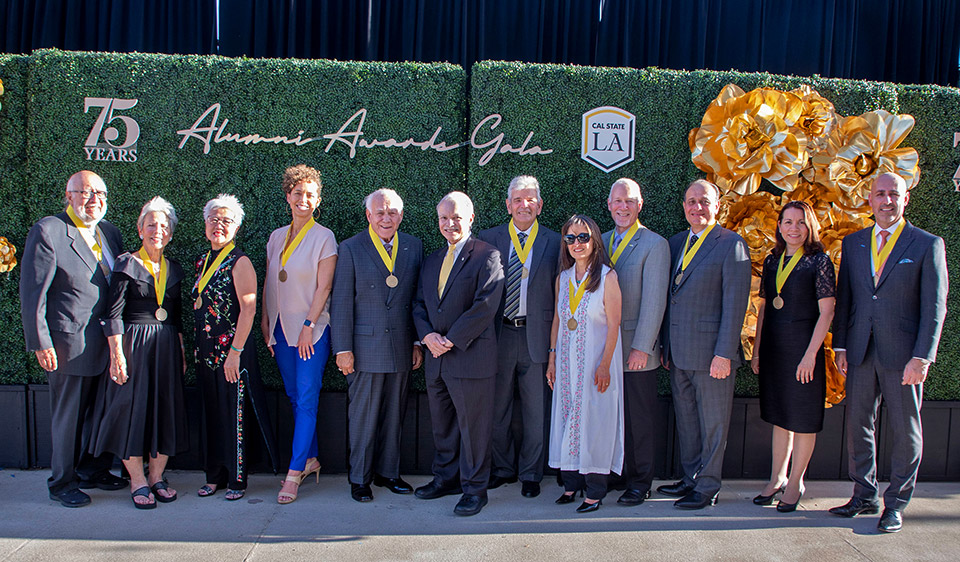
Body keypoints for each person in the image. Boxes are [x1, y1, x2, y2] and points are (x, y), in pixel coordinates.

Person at [830, 172, 948, 533]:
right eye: (879, 194)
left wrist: (922, 357)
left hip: (904, 358)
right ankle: (864, 494)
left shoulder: (926, 244)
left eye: (893, 194)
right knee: (858, 425)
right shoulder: (854, 244)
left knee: (904, 428)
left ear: (905, 198)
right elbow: (847, 298)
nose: (886, 201)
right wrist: (841, 345)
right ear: (870, 200)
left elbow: (935, 306)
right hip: (861, 352)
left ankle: (895, 503)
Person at [19, 170, 128, 508]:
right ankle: (62, 482)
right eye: (84, 193)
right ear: (69, 195)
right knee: (69, 417)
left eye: (100, 194)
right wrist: (41, 341)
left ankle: (91, 470)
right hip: (69, 345)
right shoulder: (49, 231)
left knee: (100, 412)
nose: (93, 200)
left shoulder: (110, 232)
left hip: (107, 344)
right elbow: (32, 292)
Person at [90, 196, 188, 509]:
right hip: (133, 345)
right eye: (151, 225)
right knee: (131, 410)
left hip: (167, 346)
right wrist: (116, 354)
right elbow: (113, 312)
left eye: (163, 226)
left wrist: (182, 352)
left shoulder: (175, 270)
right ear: (140, 228)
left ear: (170, 233)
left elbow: (177, 315)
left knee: (165, 410)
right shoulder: (125, 263)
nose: (157, 230)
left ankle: (157, 477)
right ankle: (137, 479)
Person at [658, 179, 751, 509]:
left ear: (717, 206)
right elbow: (672, 299)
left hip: (713, 356)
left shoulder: (731, 244)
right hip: (678, 354)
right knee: (687, 421)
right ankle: (690, 478)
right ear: (684, 206)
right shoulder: (677, 242)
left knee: (713, 424)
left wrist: (723, 353)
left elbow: (735, 304)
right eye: (691, 201)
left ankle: (708, 486)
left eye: (704, 201)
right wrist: (665, 346)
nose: (697, 207)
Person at [412, 191, 504, 516]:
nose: (450, 224)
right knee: (443, 426)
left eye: (456, 218)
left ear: (471, 218)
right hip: (436, 360)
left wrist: (449, 339)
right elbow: (420, 304)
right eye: (444, 218)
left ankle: (475, 490)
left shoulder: (487, 255)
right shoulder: (433, 259)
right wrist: (427, 336)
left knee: (474, 429)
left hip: (469, 357)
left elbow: (485, 306)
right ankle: (445, 479)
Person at [331, 188, 423, 503]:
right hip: (363, 349)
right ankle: (360, 479)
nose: (386, 218)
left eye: (392, 212)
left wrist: (415, 341)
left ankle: (388, 474)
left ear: (401, 215)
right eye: (380, 212)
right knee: (363, 417)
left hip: (400, 346)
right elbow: (341, 302)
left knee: (394, 415)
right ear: (369, 215)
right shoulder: (351, 248)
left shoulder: (413, 246)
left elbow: (415, 300)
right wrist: (342, 348)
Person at [750, 201, 836, 512]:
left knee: (802, 419)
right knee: (779, 417)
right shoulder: (773, 260)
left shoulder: (819, 261)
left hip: (803, 349)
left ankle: (796, 481)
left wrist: (810, 355)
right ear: (780, 226)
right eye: (787, 222)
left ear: (809, 226)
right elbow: (763, 309)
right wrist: (757, 350)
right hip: (774, 349)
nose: (793, 228)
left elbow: (827, 312)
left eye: (800, 222)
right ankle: (777, 478)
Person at [478, 175, 560, 499]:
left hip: (536, 335)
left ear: (539, 205)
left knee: (535, 410)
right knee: (497, 408)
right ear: (508, 204)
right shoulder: (489, 238)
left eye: (530, 200)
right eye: (517, 199)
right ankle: (502, 469)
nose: (523, 205)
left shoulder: (555, 242)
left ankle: (530, 473)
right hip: (500, 334)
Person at [194, 194, 279, 501]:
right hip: (207, 355)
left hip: (233, 354)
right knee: (213, 415)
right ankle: (213, 475)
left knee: (235, 415)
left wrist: (235, 352)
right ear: (205, 223)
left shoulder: (240, 261)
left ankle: (237, 479)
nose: (219, 225)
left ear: (237, 227)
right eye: (214, 219)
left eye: (226, 221)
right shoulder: (203, 261)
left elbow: (249, 310)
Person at [262, 164, 338, 504]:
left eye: (310, 194)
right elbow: (269, 281)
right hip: (280, 327)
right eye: (297, 194)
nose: (303, 200)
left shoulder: (324, 237)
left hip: (312, 329)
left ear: (317, 199)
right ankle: (310, 459)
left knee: (307, 398)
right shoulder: (276, 236)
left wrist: (309, 326)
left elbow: (325, 287)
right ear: (287, 196)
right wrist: (265, 320)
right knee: (294, 396)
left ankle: (293, 476)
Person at [546, 215, 624, 513]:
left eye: (583, 237)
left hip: (595, 364)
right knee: (567, 417)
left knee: (594, 423)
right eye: (570, 238)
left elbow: (615, 325)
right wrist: (552, 357)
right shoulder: (563, 278)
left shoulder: (607, 277)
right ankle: (571, 484)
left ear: (594, 241)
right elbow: (558, 319)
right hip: (566, 365)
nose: (577, 243)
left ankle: (594, 490)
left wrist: (604, 365)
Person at [601, 178, 669, 507]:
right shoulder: (599, 241)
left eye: (629, 201)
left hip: (635, 350)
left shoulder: (654, 244)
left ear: (640, 205)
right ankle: (619, 473)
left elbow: (654, 302)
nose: (623, 206)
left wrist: (643, 346)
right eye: (617, 201)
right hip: (604, 350)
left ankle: (641, 481)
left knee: (639, 419)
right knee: (612, 415)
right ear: (609, 204)